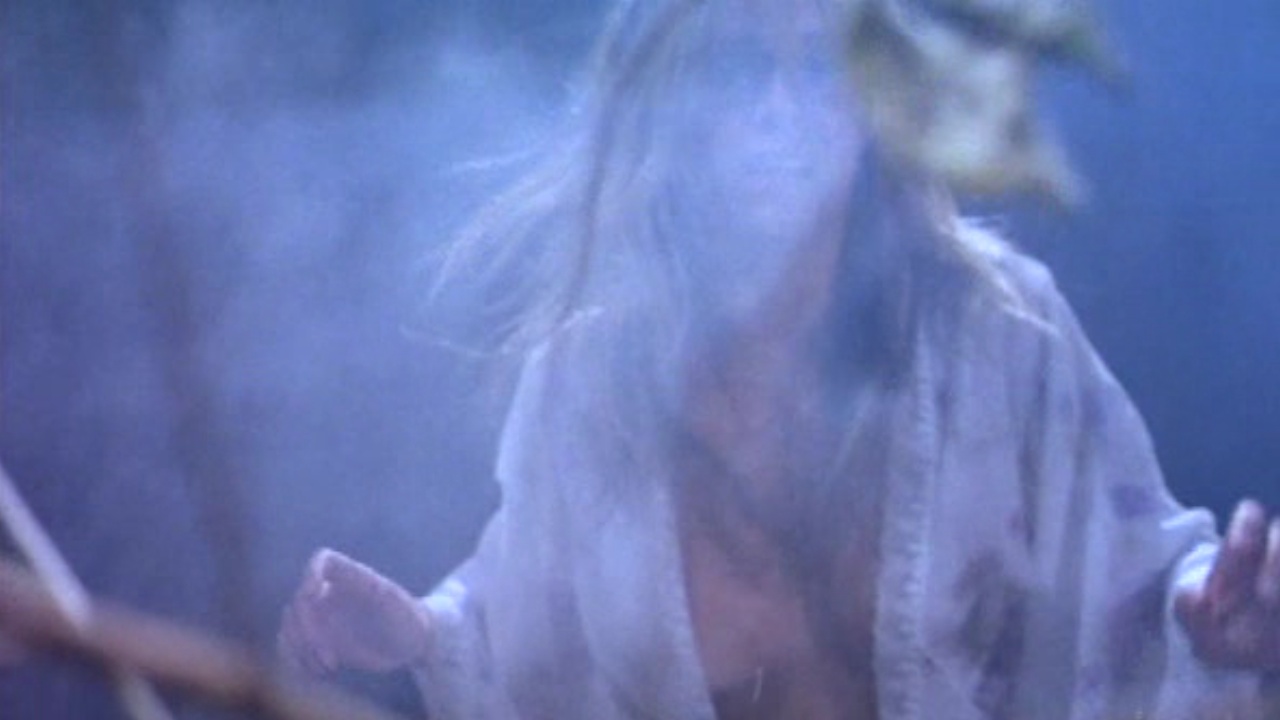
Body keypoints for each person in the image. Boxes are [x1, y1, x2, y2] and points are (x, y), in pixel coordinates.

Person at [277, 0, 1280, 717]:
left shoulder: (1000, 339)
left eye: (822, 65)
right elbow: (520, 629)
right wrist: (417, 638)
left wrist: (1222, 624)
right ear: (671, 99)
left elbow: (1141, 582)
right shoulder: (589, 382)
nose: (777, 106)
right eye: (735, 65)